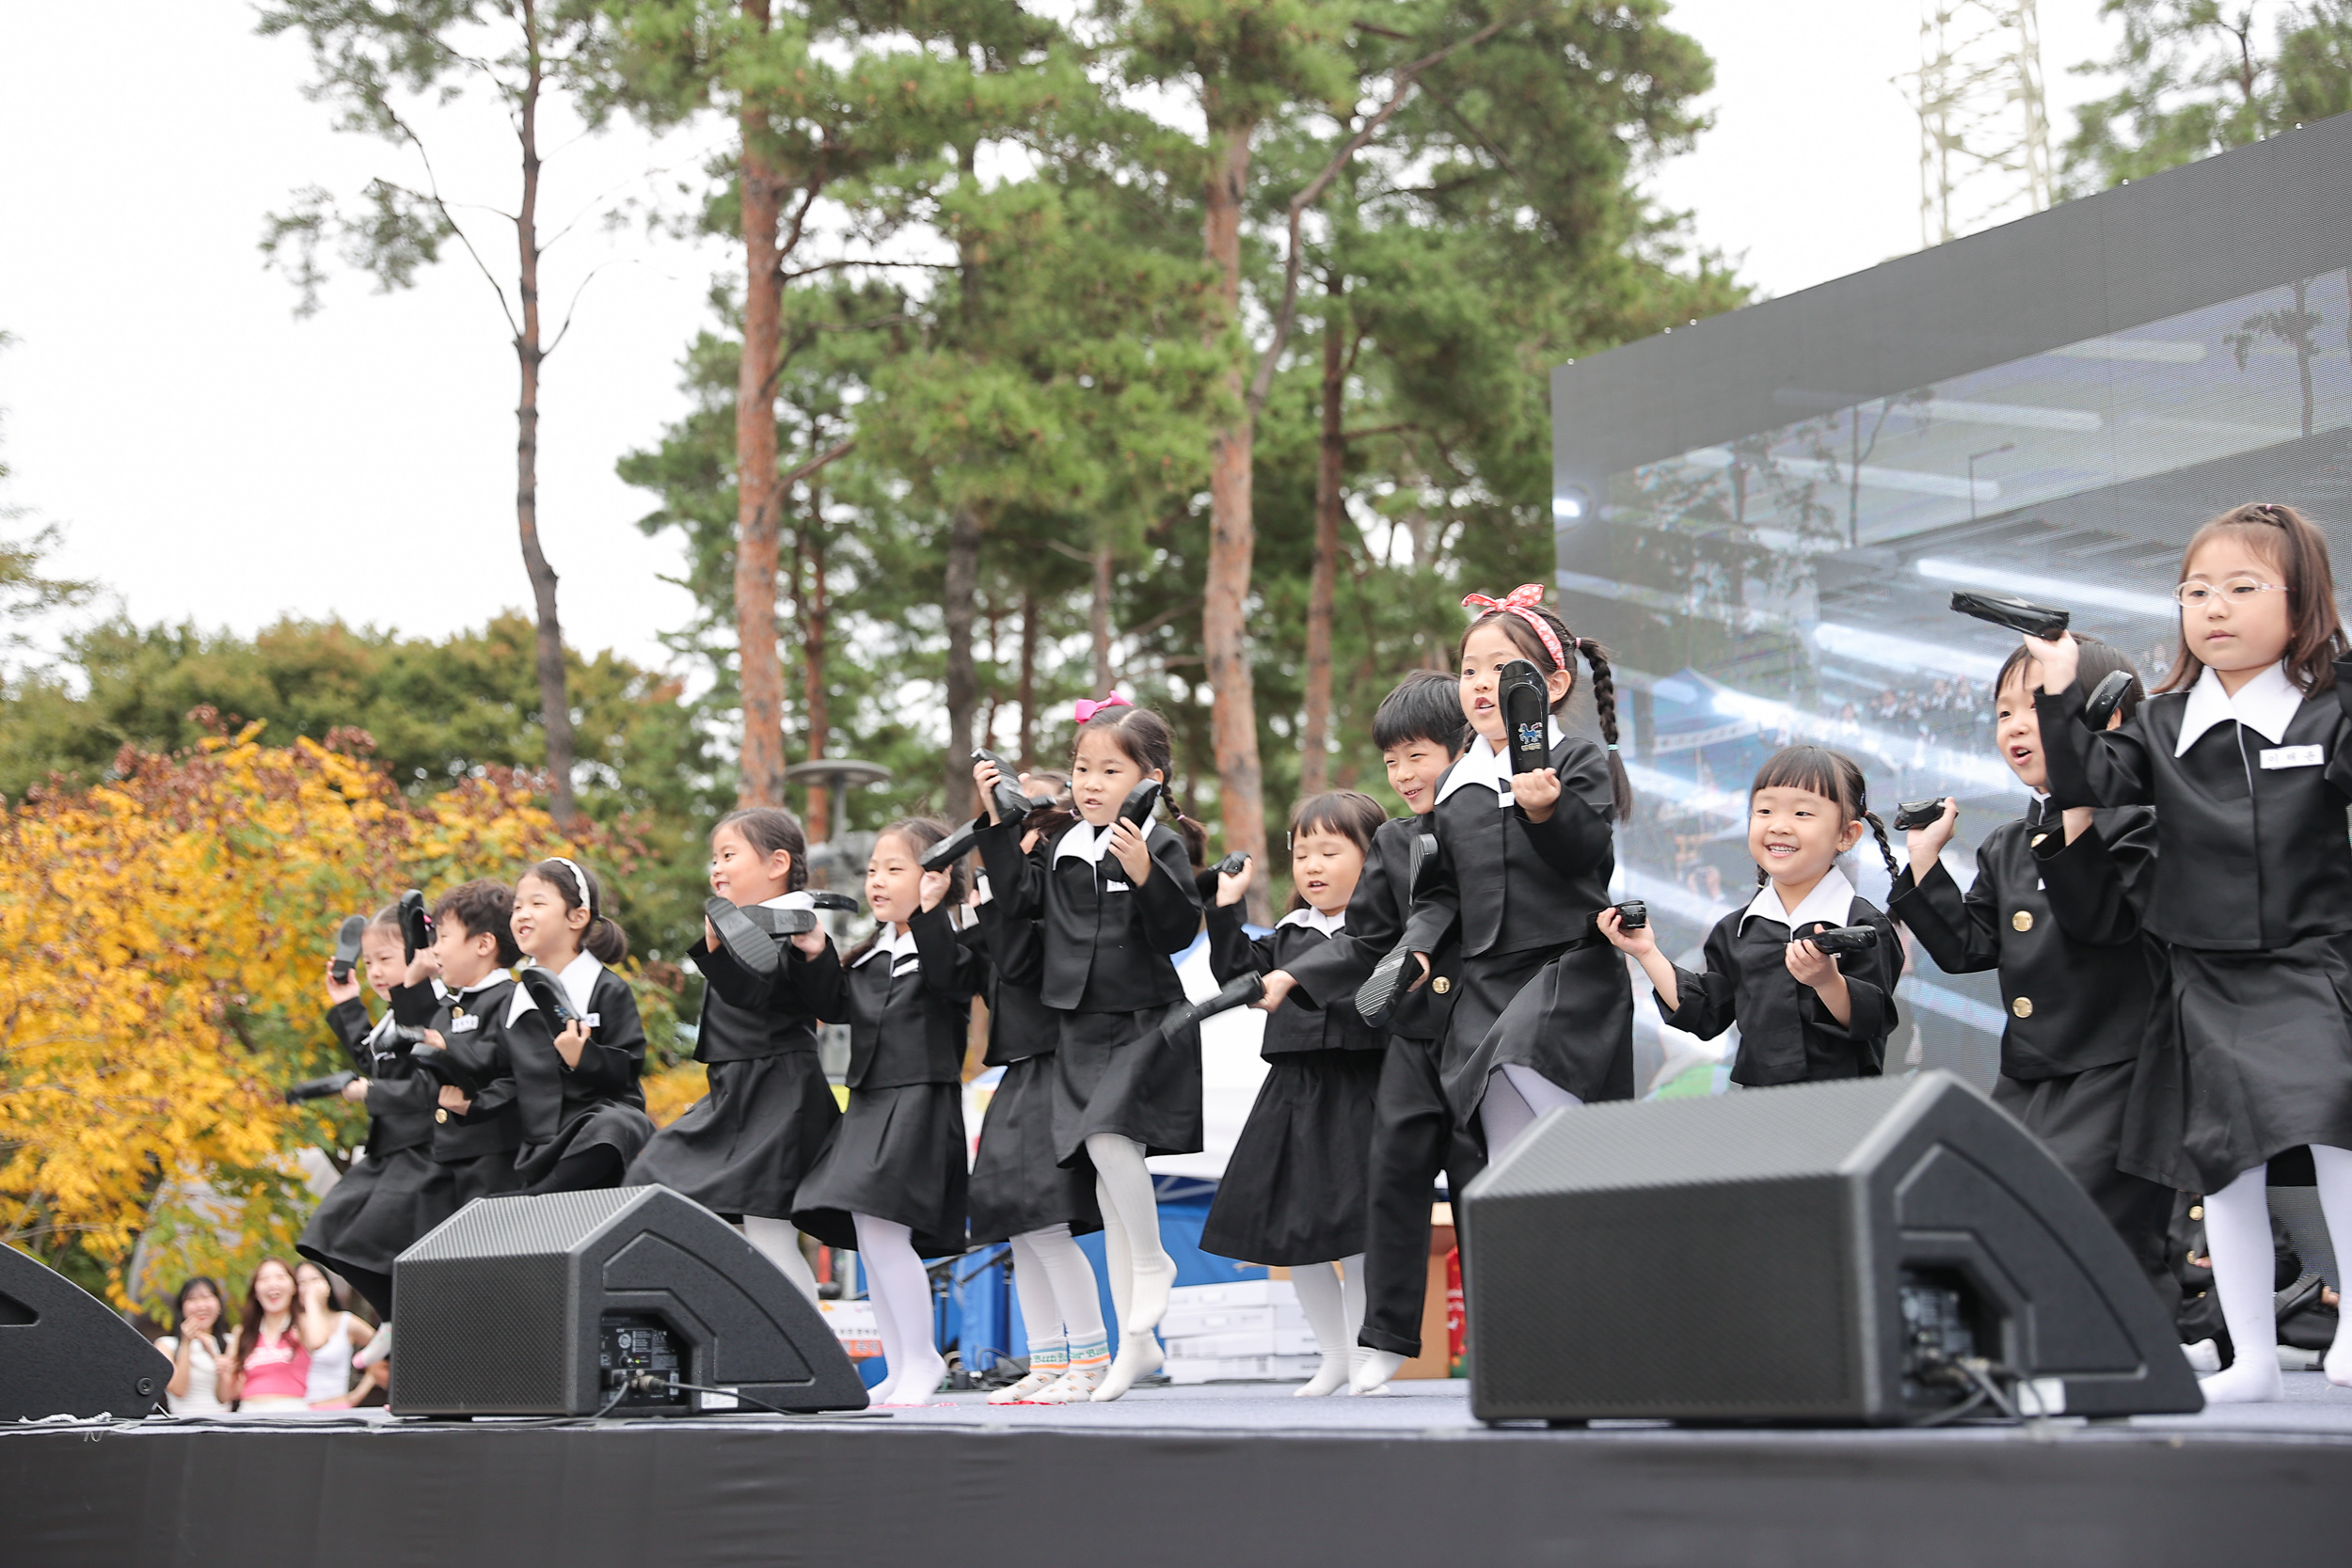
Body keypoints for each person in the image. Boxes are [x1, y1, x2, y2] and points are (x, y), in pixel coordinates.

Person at [2029, 501, 2352, 1402]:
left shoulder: (2329, 713)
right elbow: (2083, 778)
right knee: (2226, 1163)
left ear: (2304, 602)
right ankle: (2250, 1357)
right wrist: (2057, 690)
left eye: (2243, 587)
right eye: (2195, 590)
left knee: (2337, 1125)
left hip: (2312, 959)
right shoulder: (2161, 723)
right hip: (2202, 975)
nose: (2214, 607)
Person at [1888, 636, 2178, 1308]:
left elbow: (2103, 922)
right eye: (2002, 712)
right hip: (2032, 1072)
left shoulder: (2138, 822)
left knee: (2084, 1209)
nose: (2016, 725)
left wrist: (2077, 816)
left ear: (2106, 717)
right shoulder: (2009, 843)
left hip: (2118, 1067)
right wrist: (1926, 862)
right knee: (1996, 1196)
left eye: (2038, 705)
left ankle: (2156, 1332)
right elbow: (1967, 948)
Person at [973, 696, 1209, 1402]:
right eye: (1082, 768)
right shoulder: (1062, 844)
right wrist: (996, 820)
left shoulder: (1152, 841)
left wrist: (1143, 871)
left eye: (1110, 769)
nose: (1090, 782)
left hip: (1141, 1017)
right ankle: (1135, 1342)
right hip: (1077, 1025)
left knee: (1110, 1141)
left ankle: (1154, 1261)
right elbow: (1014, 914)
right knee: (1104, 1181)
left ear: (1150, 779)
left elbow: (1178, 931)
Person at [1260, 671, 1477, 1396]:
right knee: (1391, 1184)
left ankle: (1508, 1335)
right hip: (1412, 1040)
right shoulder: (1391, 839)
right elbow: (1366, 941)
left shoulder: (1496, 822)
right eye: (1391, 761)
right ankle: (1381, 1339)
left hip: (1484, 1033)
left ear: (1463, 744)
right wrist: (1297, 976)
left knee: (1483, 1192)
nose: (1404, 773)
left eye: (1418, 754)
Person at [1405, 585, 1637, 1160]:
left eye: (1503, 668)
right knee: (1509, 1151)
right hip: (1484, 982)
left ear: (1551, 685)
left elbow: (1588, 855)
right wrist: (1413, 949)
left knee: (1574, 1141)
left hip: (1563, 972)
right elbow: (1439, 894)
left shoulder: (1576, 761)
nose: (1482, 682)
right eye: (1469, 671)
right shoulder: (1452, 788)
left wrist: (1545, 809)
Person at [1200, 790, 1390, 1397]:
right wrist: (1225, 909)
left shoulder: (1384, 928)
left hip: (1362, 1084)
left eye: (1330, 851)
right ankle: (1334, 1357)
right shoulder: (1288, 932)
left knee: (1359, 1232)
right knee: (1295, 1233)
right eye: (1302, 851)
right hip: (1292, 1088)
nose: (1312, 865)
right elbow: (1237, 978)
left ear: (1373, 856)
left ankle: (1367, 1357)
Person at [792, 819, 977, 1405]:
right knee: (870, 1238)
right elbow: (832, 1006)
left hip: (921, 1097)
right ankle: (899, 1366)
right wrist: (816, 950)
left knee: (886, 1234)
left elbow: (952, 983)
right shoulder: (872, 953)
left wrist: (927, 914)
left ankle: (923, 1359)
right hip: (871, 1101)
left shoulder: (952, 938)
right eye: (872, 869)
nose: (876, 880)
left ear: (934, 878)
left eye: (894, 868)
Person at [628, 809, 840, 1303]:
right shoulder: (740, 922)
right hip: (734, 1089)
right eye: (713, 858)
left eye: (728, 855)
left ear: (777, 863)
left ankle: (808, 1358)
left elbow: (757, 992)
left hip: (778, 1090)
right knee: (653, 1175)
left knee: (769, 1229)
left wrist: (720, 949)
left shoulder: (793, 923)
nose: (716, 868)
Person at [1602, 745, 1902, 1086]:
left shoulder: (1864, 925)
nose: (1778, 826)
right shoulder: (1736, 931)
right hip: (1757, 1110)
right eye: (1764, 811)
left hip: (1842, 1108)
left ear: (1846, 835)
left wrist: (1827, 982)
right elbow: (1705, 1013)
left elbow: (1874, 1020)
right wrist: (1647, 952)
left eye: (1802, 813)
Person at [959, 772, 1112, 1405]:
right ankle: (1048, 1358)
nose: (1017, 810)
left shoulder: (1063, 881)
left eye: (1031, 802)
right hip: (1017, 1066)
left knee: (1046, 1220)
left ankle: (1091, 1355)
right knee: (1019, 1224)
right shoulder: (1001, 892)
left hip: (1058, 1061)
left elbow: (1024, 963)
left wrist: (1002, 884)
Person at [295, 905, 440, 1321]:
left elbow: (410, 1077)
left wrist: (371, 1092)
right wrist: (346, 1002)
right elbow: (374, 1056)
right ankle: (396, 1319)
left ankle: (400, 1319)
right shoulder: (393, 1014)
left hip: (420, 1154)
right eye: (369, 961)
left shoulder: (429, 1006)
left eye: (385, 959)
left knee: (365, 1237)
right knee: (332, 1229)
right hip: (391, 1152)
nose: (375, 971)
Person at [508, 857, 658, 1193]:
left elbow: (629, 1068)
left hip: (597, 1130)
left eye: (537, 903)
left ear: (577, 916)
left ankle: (536, 1198)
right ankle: (535, 1196)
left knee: (614, 1127)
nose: (522, 914)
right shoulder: (512, 999)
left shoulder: (607, 987)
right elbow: (503, 1074)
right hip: (541, 1139)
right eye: (517, 907)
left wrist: (583, 1056)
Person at [404, 880, 548, 1220]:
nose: (434, 950)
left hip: (497, 1162)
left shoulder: (514, 1000)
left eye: (443, 938)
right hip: (441, 1161)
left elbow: (524, 1076)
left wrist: (449, 1052)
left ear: (484, 943)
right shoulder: (444, 1007)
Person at [227, 1259, 312, 1412]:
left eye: (280, 1277)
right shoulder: (242, 1333)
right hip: (249, 1414)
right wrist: (224, 1371)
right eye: (264, 1279)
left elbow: (321, 1342)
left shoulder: (304, 1325)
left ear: (294, 1287)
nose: (272, 1284)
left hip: (293, 1413)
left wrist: (312, 1300)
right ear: (255, 1292)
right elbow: (228, 1394)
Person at [294, 1259, 374, 1406]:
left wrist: (358, 1394)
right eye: (301, 1282)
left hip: (336, 1406)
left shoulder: (346, 1321)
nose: (309, 1288)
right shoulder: (291, 1324)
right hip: (297, 1408)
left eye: (315, 1280)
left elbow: (381, 1347)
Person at [158, 1276, 231, 1416]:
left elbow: (227, 1397)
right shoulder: (166, 1345)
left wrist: (213, 1351)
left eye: (207, 1297)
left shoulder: (230, 1342)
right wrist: (186, 1342)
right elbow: (179, 1390)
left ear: (219, 1304)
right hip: (182, 1424)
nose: (201, 1305)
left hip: (222, 1423)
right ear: (182, 1307)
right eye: (192, 1299)